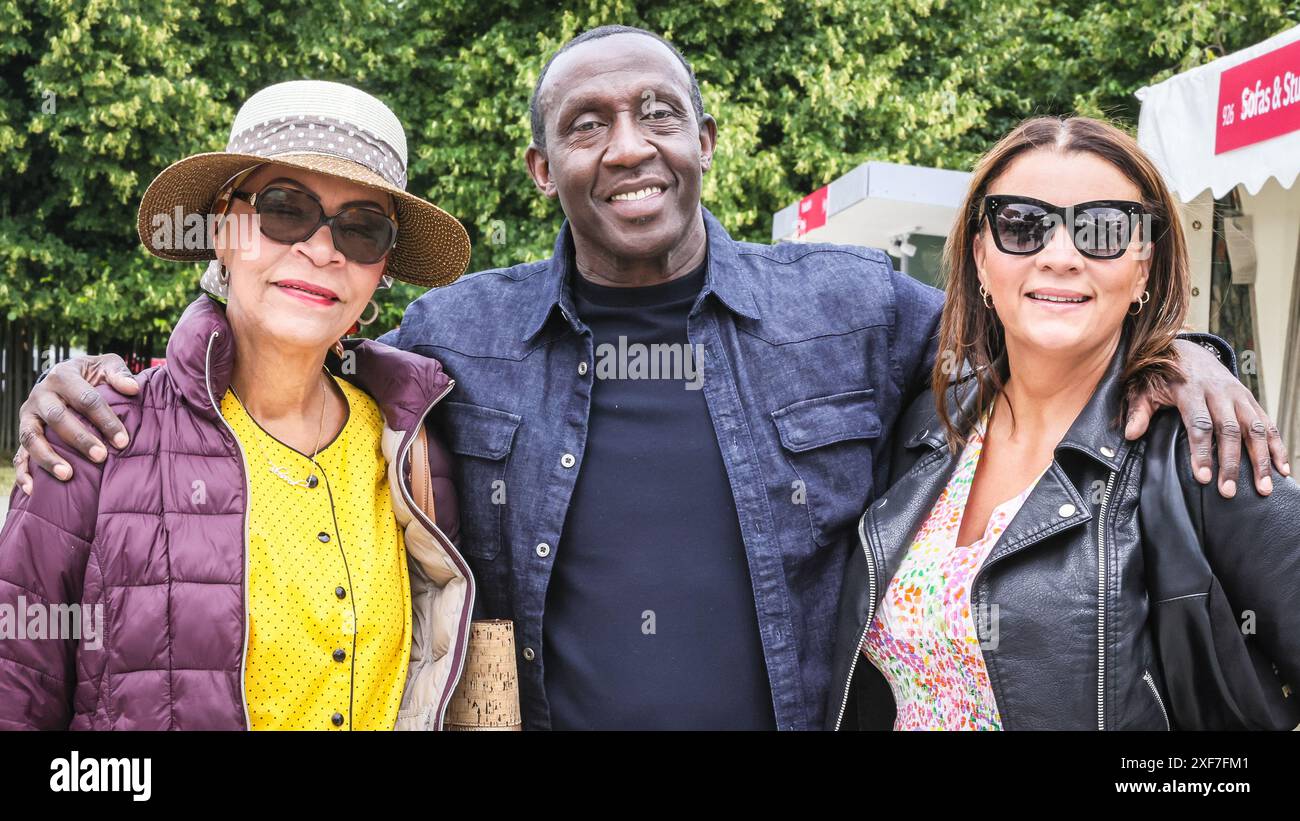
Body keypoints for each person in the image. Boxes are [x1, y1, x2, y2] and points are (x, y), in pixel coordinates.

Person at [12, 28, 1284, 731]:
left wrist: (1189, 359)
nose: (629, 146)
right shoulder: (460, 334)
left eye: (658, 113)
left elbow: (1039, 324)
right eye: (586, 123)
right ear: (539, 168)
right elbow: (290, 333)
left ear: (702, 140)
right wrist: (118, 382)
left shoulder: (849, 309)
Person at [0, 80, 475, 730]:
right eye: (284, 209)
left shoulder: (414, 451)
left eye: (362, 229)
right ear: (221, 227)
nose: (322, 248)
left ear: (381, 269)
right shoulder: (90, 438)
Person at [827, 115, 1299, 731]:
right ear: (980, 255)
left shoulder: (1200, 451)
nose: (1061, 256)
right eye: (1022, 225)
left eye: (1102, 230)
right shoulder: (926, 423)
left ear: (1144, 266)